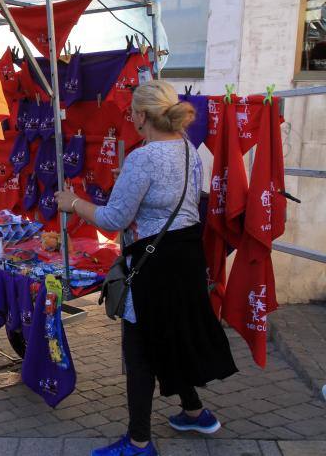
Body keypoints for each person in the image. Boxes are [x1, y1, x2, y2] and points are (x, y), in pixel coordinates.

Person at [55, 80, 237, 456]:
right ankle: (195, 412)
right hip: (186, 258)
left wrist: (72, 202)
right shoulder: (186, 149)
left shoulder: (143, 158)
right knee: (173, 335)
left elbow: (114, 219)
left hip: (153, 264)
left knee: (139, 351)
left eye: (131, 113)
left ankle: (139, 442)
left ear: (140, 115)